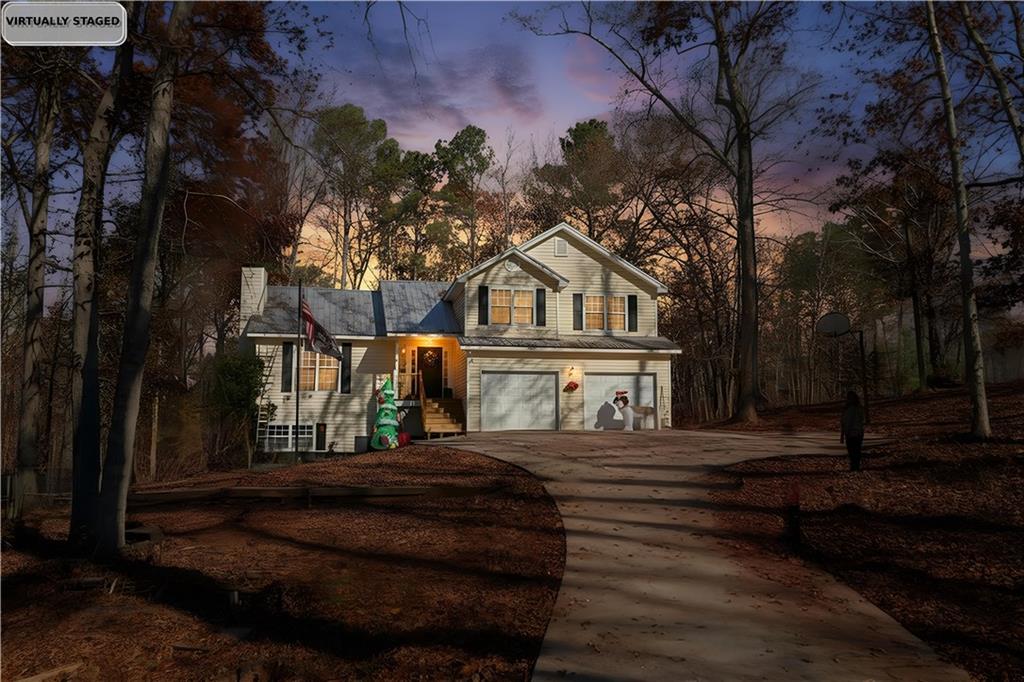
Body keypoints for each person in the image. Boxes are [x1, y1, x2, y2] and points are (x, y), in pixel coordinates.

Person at [840, 391, 866, 471]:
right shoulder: (847, 409)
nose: (849, 399)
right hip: (852, 433)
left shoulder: (857, 408)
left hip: (855, 432)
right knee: (853, 451)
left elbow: (860, 419)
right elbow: (843, 422)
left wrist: (846, 432)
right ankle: (854, 466)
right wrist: (842, 434)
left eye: (850, 398)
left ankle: (855, 467)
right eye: (848, 398)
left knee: (855, 451)